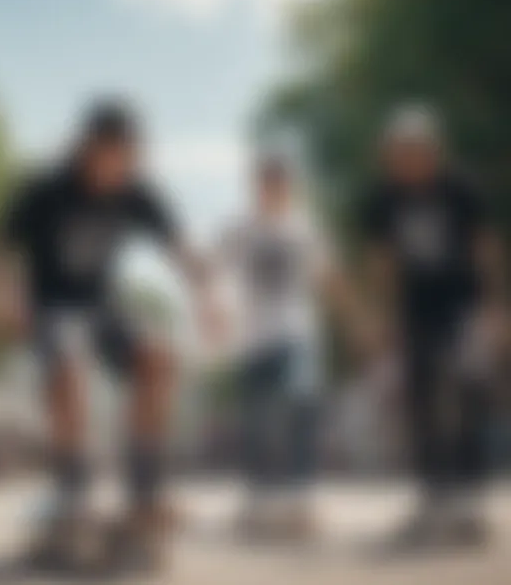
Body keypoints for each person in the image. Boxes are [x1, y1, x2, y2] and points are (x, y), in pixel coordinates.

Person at [0, 100, 213, 570]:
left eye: (131, 161)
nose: (123, 172)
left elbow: (180, 247)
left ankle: (144, 488)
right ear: (89, 150)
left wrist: (208, 296)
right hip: (53, 306)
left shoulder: (137, 191)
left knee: (157, 355)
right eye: (116, 160)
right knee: (67, 364)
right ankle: (73, 489)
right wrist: (7, 296)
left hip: (103, 307)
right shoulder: (44, 190)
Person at [360, 105, 507, 550]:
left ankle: (469, 500)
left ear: (432, 150)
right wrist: (383, 317)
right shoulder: (384, 199)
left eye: (413, 151)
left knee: (465, 392)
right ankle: (432, 498)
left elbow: (484, 247)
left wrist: (495, 307)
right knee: (422, 395)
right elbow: (383, 262)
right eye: (397, 153)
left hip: (463, 305)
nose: (405, 160)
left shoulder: (460, 188)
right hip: (416, 309)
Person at [212, 154, 374, 541]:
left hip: (296, 332)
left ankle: (302, 494)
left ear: (290, 186)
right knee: (256, 418)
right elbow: (214, 270)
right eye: (266, 182)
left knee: (300, 401)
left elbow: (330, 277)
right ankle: (258, 498)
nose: (272, 190)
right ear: (256, 186)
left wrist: (355, 319)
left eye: (280, 183)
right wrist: (212, 309)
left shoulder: (305, 228)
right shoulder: (239, 228)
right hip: (252, 337)